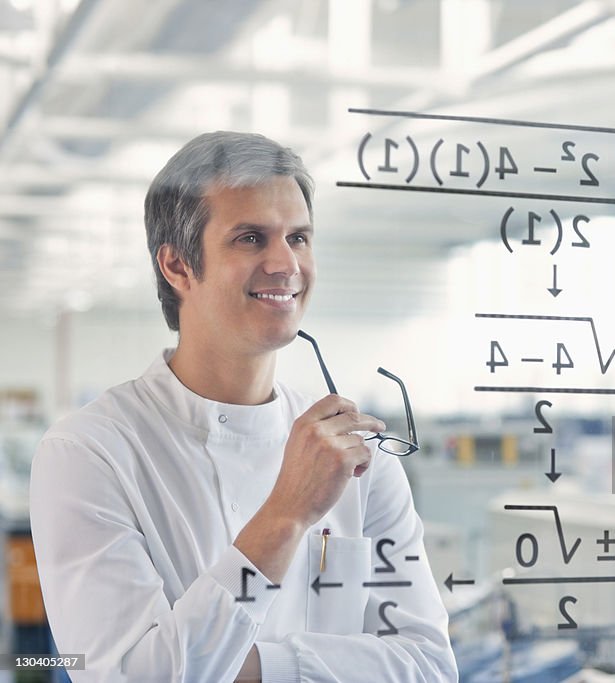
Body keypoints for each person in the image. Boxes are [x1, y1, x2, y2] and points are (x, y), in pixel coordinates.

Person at [29, 132, 458, 682]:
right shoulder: (91, 454)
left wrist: (247, 669)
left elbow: (429, 667)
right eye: (251, 238)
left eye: (299, 238)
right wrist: (285, 515)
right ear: (178, 266)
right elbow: (129, 675)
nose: (285, 263)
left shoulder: (361, 455)